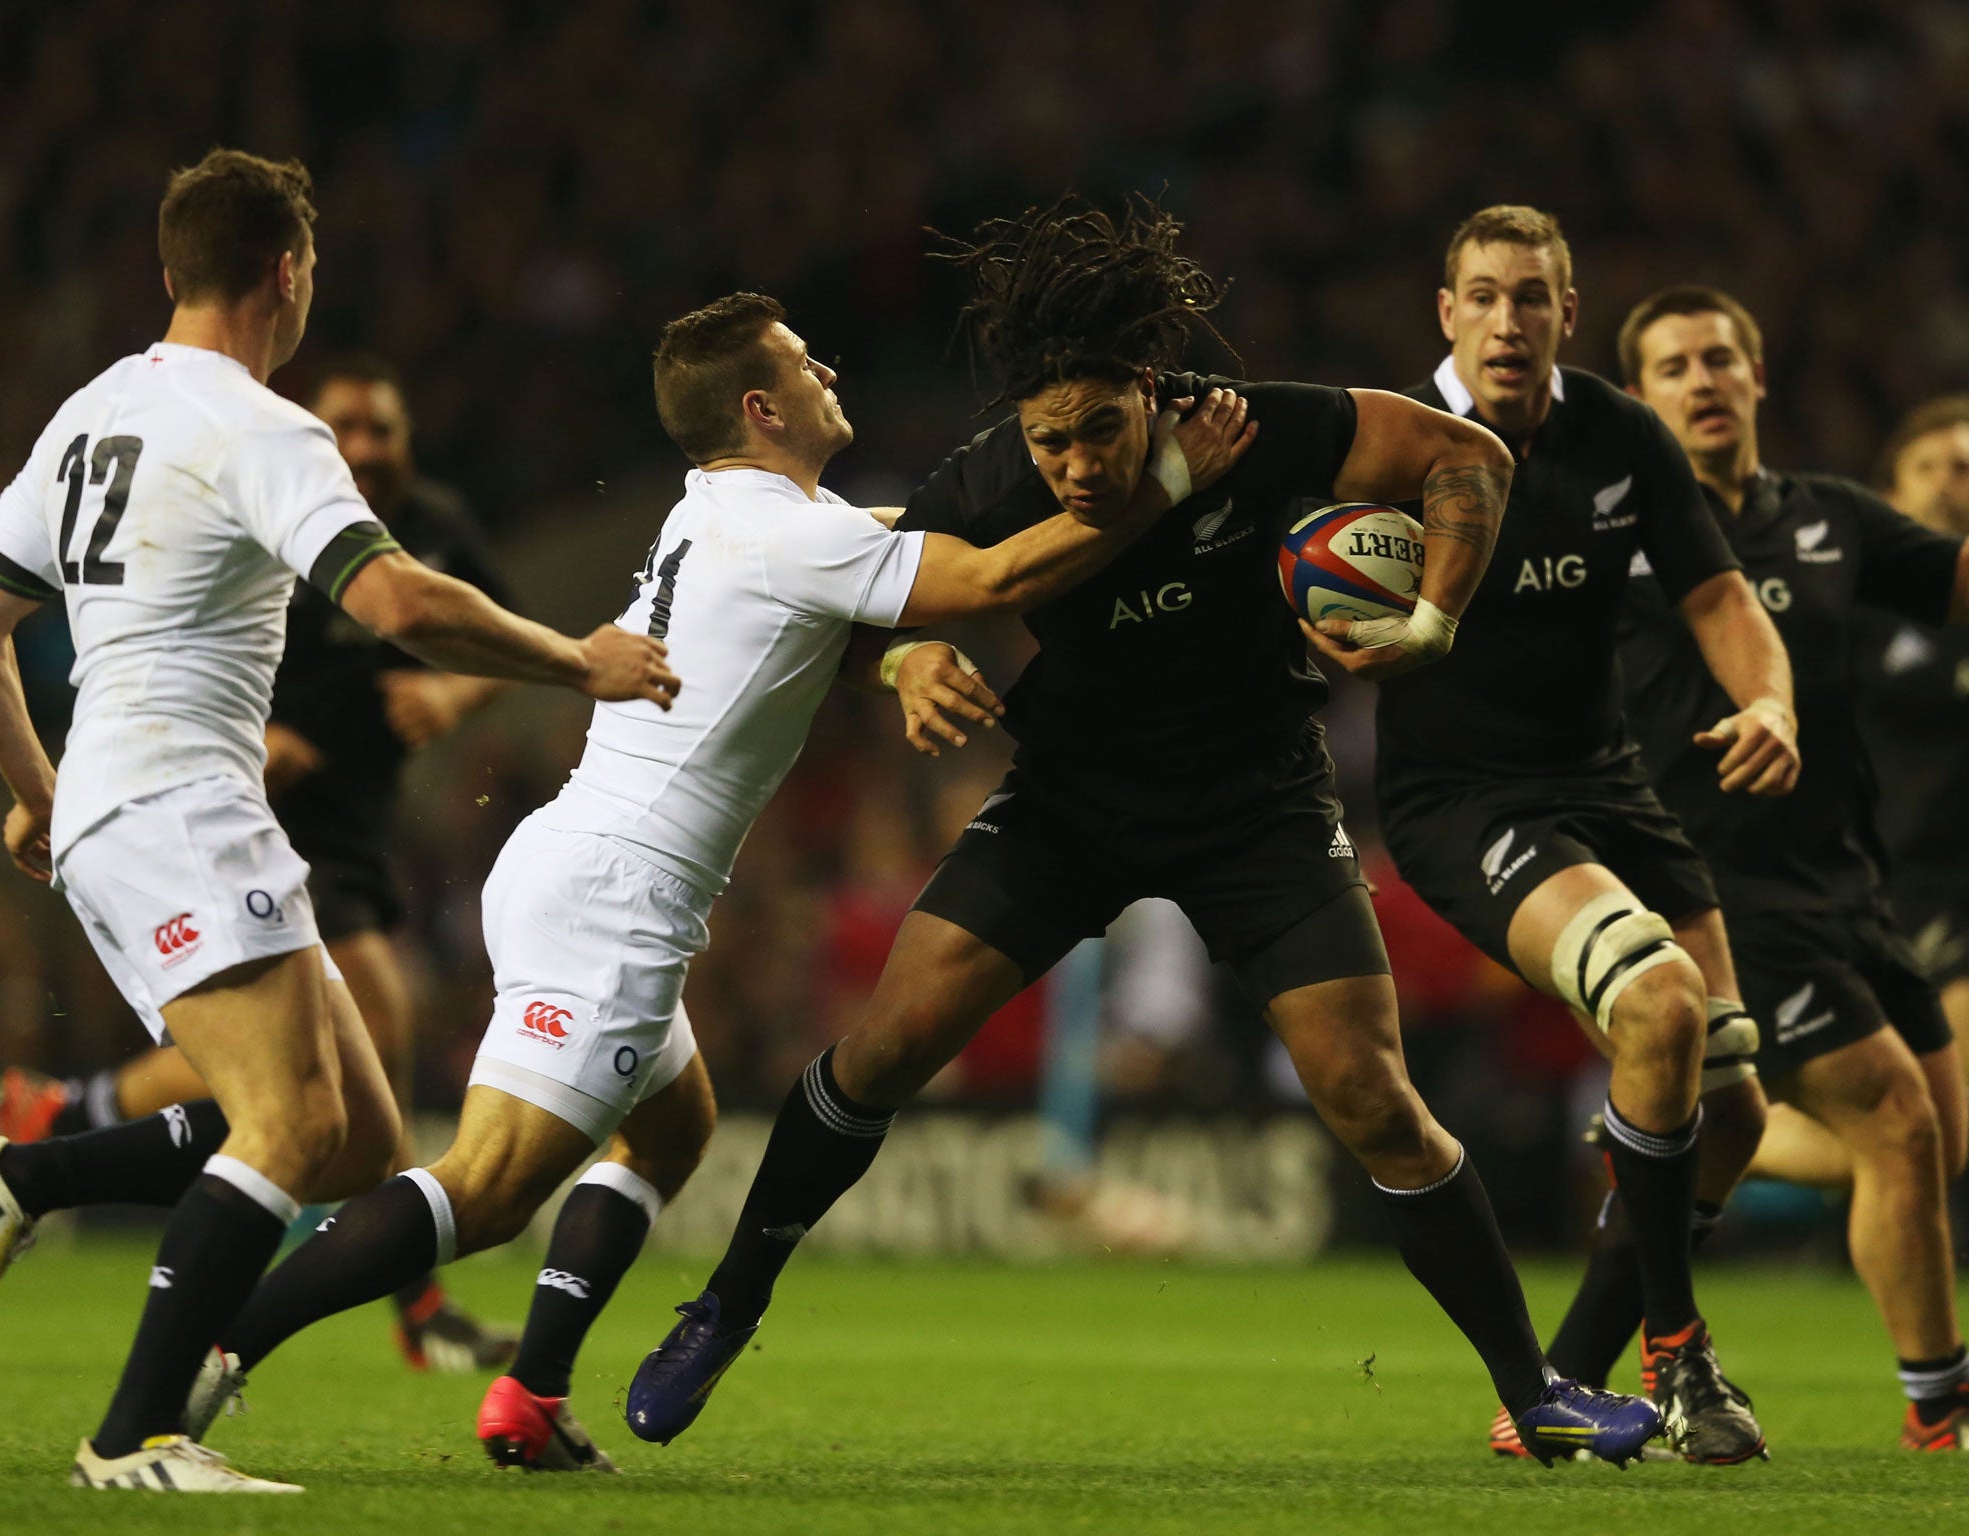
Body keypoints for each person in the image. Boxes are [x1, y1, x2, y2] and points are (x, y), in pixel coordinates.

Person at [627, 197, 1662, 1468]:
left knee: (1374, 1101)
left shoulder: (1257, 421)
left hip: (1257, 805)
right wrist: (901, 668)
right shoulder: (991, 478)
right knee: (883, 1048)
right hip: (1072, 801)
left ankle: (1537, 1386)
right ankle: (725, 1304)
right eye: (1051, 442)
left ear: (1151, 392)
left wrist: (1435, 620)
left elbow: (1470, 462)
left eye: (1098, 433)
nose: (1072, 467)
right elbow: (850, 608)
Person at [168, 290, 1256, 1474]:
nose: (825, 367)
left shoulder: (730, 513)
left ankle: (529, 1394)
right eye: (800, 361)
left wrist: (904, 644)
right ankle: (211, 1355)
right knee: (481, 1192)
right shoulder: (789, 534)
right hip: (615, 895)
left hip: (572, 858)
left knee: (669, 1133)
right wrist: (1166, 486)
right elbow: (991, 582)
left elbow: (864, 563)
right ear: (759, 406)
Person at [0, 149, 679, 1493]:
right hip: (177, 802)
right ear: (290, 273)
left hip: (137, 797)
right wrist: (578, 659)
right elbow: (394, 606)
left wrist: (43, 797)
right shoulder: (262, 428)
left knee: (356, 1140)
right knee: (281, 1128)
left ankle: (20, 1181)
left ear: (171, 273)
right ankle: (134, 1437)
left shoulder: (93, 407)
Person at [1357, 207, 1793, 1465]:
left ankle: (1554, 1393)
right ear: (1444, 312)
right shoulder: (1392, 445)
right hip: (1466, 804)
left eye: (1531, 297)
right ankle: (1680, 1361)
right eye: (1483, 295)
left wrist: (1766, 699)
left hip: (1609, 791)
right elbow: (1296, 592)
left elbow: (1714, 591)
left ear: (1565, 310)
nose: (1507, 320)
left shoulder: (1615, 433)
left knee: (1734, 1114)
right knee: (1660, 1008)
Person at [0, 356, 526, 1373]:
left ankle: (66, 1124)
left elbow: (471, 632)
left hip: (355, 821)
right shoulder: (270, 483)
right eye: (347, 430)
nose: (364, 449)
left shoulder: (438, 523)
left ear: (407, 439)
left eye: (383, 430)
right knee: (340, 1051)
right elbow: (195, 623)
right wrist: (254, 733)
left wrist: (452, 699)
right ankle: (390, 1299)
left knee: (300, 1084)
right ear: (317, 433)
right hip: (259, 814)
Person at [1612, 289, 1969, 1449]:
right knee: (1896, 1122)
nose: (1703, 379)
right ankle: (1937, 1412)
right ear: (1641, 398)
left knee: (1932, 1140)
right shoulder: (1621, 537)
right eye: (1674, 367)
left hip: (1845, 884)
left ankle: (1685, 1150)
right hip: (1719, 888)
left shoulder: (1830, 520)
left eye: (1720, 357)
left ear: (1757, 378)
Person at [1855, 396, 1969, 1185]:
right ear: (1892, 494)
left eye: (1964, 469)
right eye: (1927, 468)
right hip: (1906, 884)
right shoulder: (1859, 611)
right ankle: (1720, 1139)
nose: (1947, 484)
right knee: (1925, 1120)